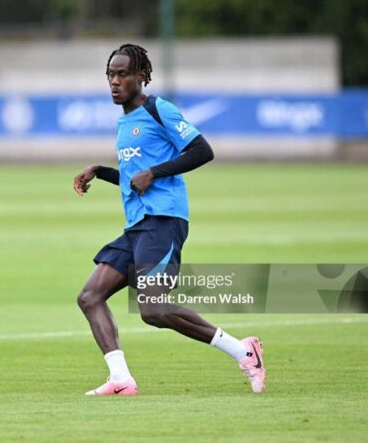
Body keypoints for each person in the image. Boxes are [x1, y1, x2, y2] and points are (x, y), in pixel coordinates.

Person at [73, 43, 266, 396]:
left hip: (163, 220)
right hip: (137, 227)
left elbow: (202, 150)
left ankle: (244, 351)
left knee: (153, 308)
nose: (115, 82)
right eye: (110, 75)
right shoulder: (125, 122)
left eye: (122, 74)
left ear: (142, 76)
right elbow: (135, 178)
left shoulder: (158, 109)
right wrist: (100, 172)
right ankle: (120, 379)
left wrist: (155, 173)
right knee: (90, 296)